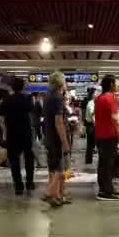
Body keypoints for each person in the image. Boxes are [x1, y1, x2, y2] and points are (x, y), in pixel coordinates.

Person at [0, 77, 36, 195]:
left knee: (14, 160)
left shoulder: (6, 100)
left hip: (12, 134)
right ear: (23, 87)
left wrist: (4, 132)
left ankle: (18, 186)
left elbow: (1, 116)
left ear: (12, 87)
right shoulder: (26, 99)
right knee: (29, 158)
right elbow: (31, 112)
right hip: (25, 133)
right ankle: (29, 182)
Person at [43, 71, 71, 207]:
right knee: (61, 169)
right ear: (60, 82)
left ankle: (59, 195)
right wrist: (65, 142)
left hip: (49, 136)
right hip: (56, 138)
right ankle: (49, 192)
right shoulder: (58, 98)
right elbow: (58, 121)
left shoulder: (48, 97)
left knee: (54, 168)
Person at [94, 75, 119, 201]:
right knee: (108, 164)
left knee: (103, 163)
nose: (116, 86)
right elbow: (114, 119)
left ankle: (106, 187)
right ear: (111, 84)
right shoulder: (110, 98)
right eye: (115, 83)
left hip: (100, 135)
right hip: (109, 135)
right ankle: (105, 191)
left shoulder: (99, 98)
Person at [83, 88, 96, 164]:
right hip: (91, 126)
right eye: (95, 93)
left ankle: (89, 160)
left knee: (91, 144)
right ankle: (88, 160)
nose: (96, 94)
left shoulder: (93, 102)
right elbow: (92, 115)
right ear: (92, 94)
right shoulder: (90, 103)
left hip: (91, 125)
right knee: (90, 144)